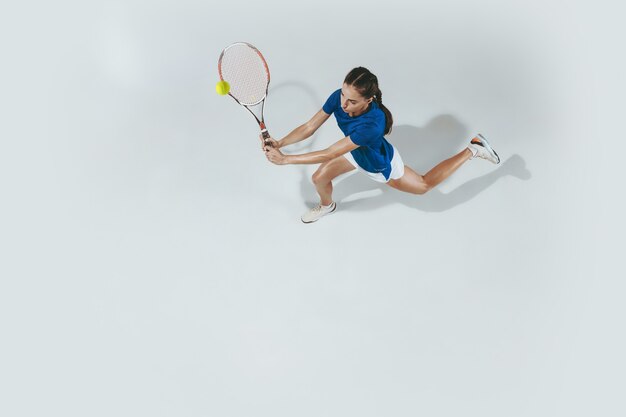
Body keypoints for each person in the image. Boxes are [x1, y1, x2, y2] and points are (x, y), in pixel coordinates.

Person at [262, 67, 500, 223]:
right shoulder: (339, 97)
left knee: (424, 185)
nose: (343, 104)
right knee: (319, 178)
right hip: (353, 150)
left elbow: (330, 152)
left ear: (368, 100)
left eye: (352, 101)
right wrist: (281, 141)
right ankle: (327, 205)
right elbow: (309, 126)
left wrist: (285, 159)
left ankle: (474, 148)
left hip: (378, 162)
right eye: (343, 95)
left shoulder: (372, 124)